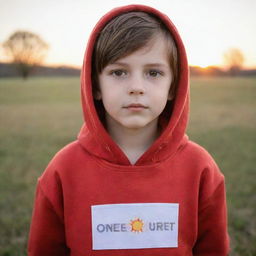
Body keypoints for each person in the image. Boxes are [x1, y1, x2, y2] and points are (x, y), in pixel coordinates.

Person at [28, 4, 230, 255]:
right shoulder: (63, 169)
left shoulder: (200, 168)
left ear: (172, 87)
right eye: (119, 72)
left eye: (153, 72)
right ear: (95, 85)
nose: (136, 86)